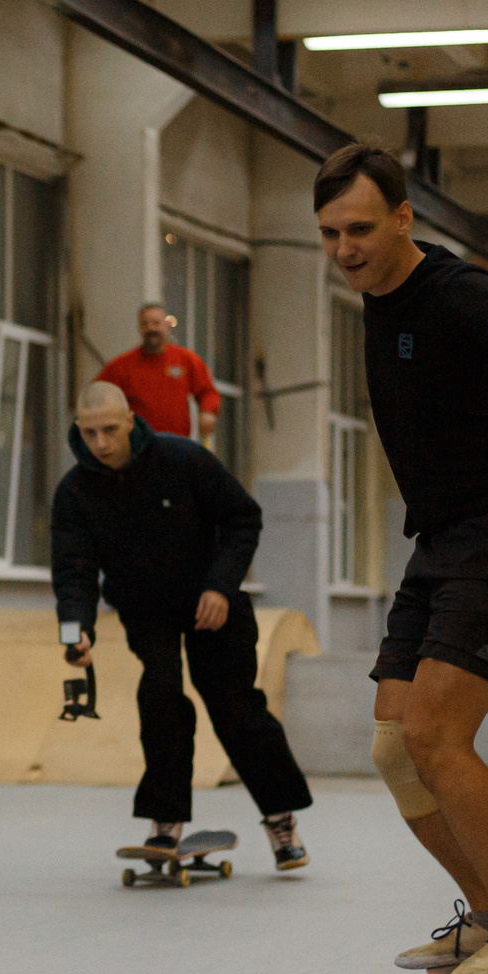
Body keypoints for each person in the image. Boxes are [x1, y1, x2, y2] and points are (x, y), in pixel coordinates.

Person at [312, 143, 488, 974]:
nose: (345, 249)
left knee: (435, 734)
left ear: (403, 218)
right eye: (329, 233)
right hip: (444, 539)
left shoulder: (453, 290)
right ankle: (487, 914)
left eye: (361, 229)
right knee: (395, 746)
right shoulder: (376, 297)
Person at [51, 380, 311, 870]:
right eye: (89, 433)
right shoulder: (75, 492)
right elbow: (73, 569)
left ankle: (281, 819)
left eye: (110, 430)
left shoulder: (182, 459)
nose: (101, 443)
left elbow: (243, 519)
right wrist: (75, 630)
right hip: (146, 610)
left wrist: (220, 585)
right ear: (78, 430)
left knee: (234, 705)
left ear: (130, 421)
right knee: (160, 696)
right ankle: (165, 822)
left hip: (212, 603)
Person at [95, 302, 222, 443]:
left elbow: (208, 392)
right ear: (139, 328)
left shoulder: (185, 359)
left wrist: (207, 412)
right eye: (145, 324)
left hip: (176, 445)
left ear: (166, 326)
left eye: (156, 323)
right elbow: (97, 394)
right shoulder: (122, 366)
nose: (151, 328)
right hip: (138, 446)